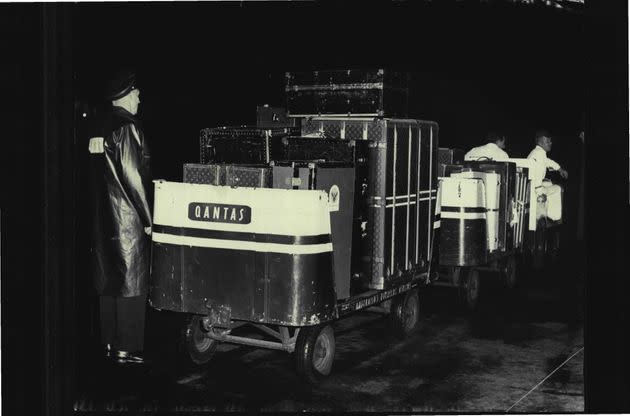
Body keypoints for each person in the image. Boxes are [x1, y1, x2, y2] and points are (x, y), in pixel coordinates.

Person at [88, 70, 152, 364]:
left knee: (109, 280)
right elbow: (133, 176)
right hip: (127, 218)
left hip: (104, 217)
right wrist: (150, 218)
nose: (140, 97)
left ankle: (110, 345)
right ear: (125, 95)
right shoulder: (127, 127)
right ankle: (127, 347)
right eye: (136, 92)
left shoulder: (100, 125)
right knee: (131, 281)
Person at [526, 129, 568, 221]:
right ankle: (553, 217)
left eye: (550, 141)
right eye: (547, 141)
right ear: (540, 142)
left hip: (530, 186)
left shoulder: (536, 152)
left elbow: (548, 162)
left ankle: (547, 211)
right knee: (558, 188)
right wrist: (539, 192)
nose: (550, 143)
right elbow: (537, 174)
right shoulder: (540, 154)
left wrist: (559, 169)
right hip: (535, 188)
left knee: (549, 184)